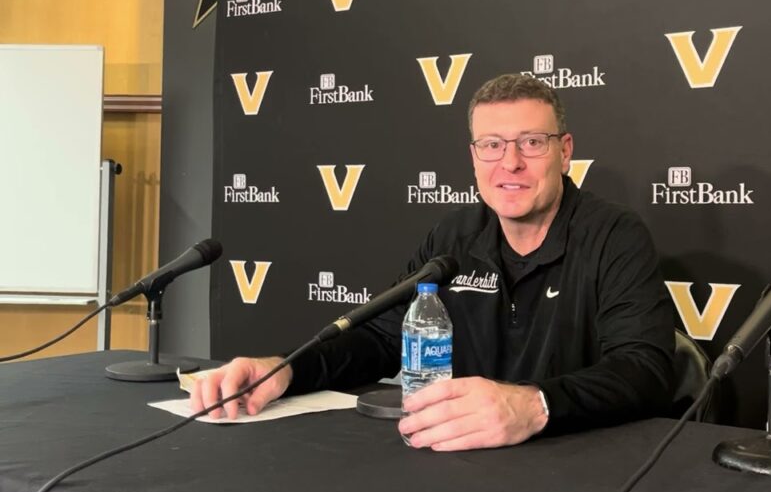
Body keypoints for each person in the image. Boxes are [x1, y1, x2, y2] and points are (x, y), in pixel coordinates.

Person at [191, 74, 676, 451]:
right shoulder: (453, 238)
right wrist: (284, 370)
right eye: (492, 145)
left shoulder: (615, 235)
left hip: (580, 464)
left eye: (531, 142)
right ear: (473, 157)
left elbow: (644, 370)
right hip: (459, 460)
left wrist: (535, 405)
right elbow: (380, 338)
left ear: (564, 151)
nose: (510, 163)